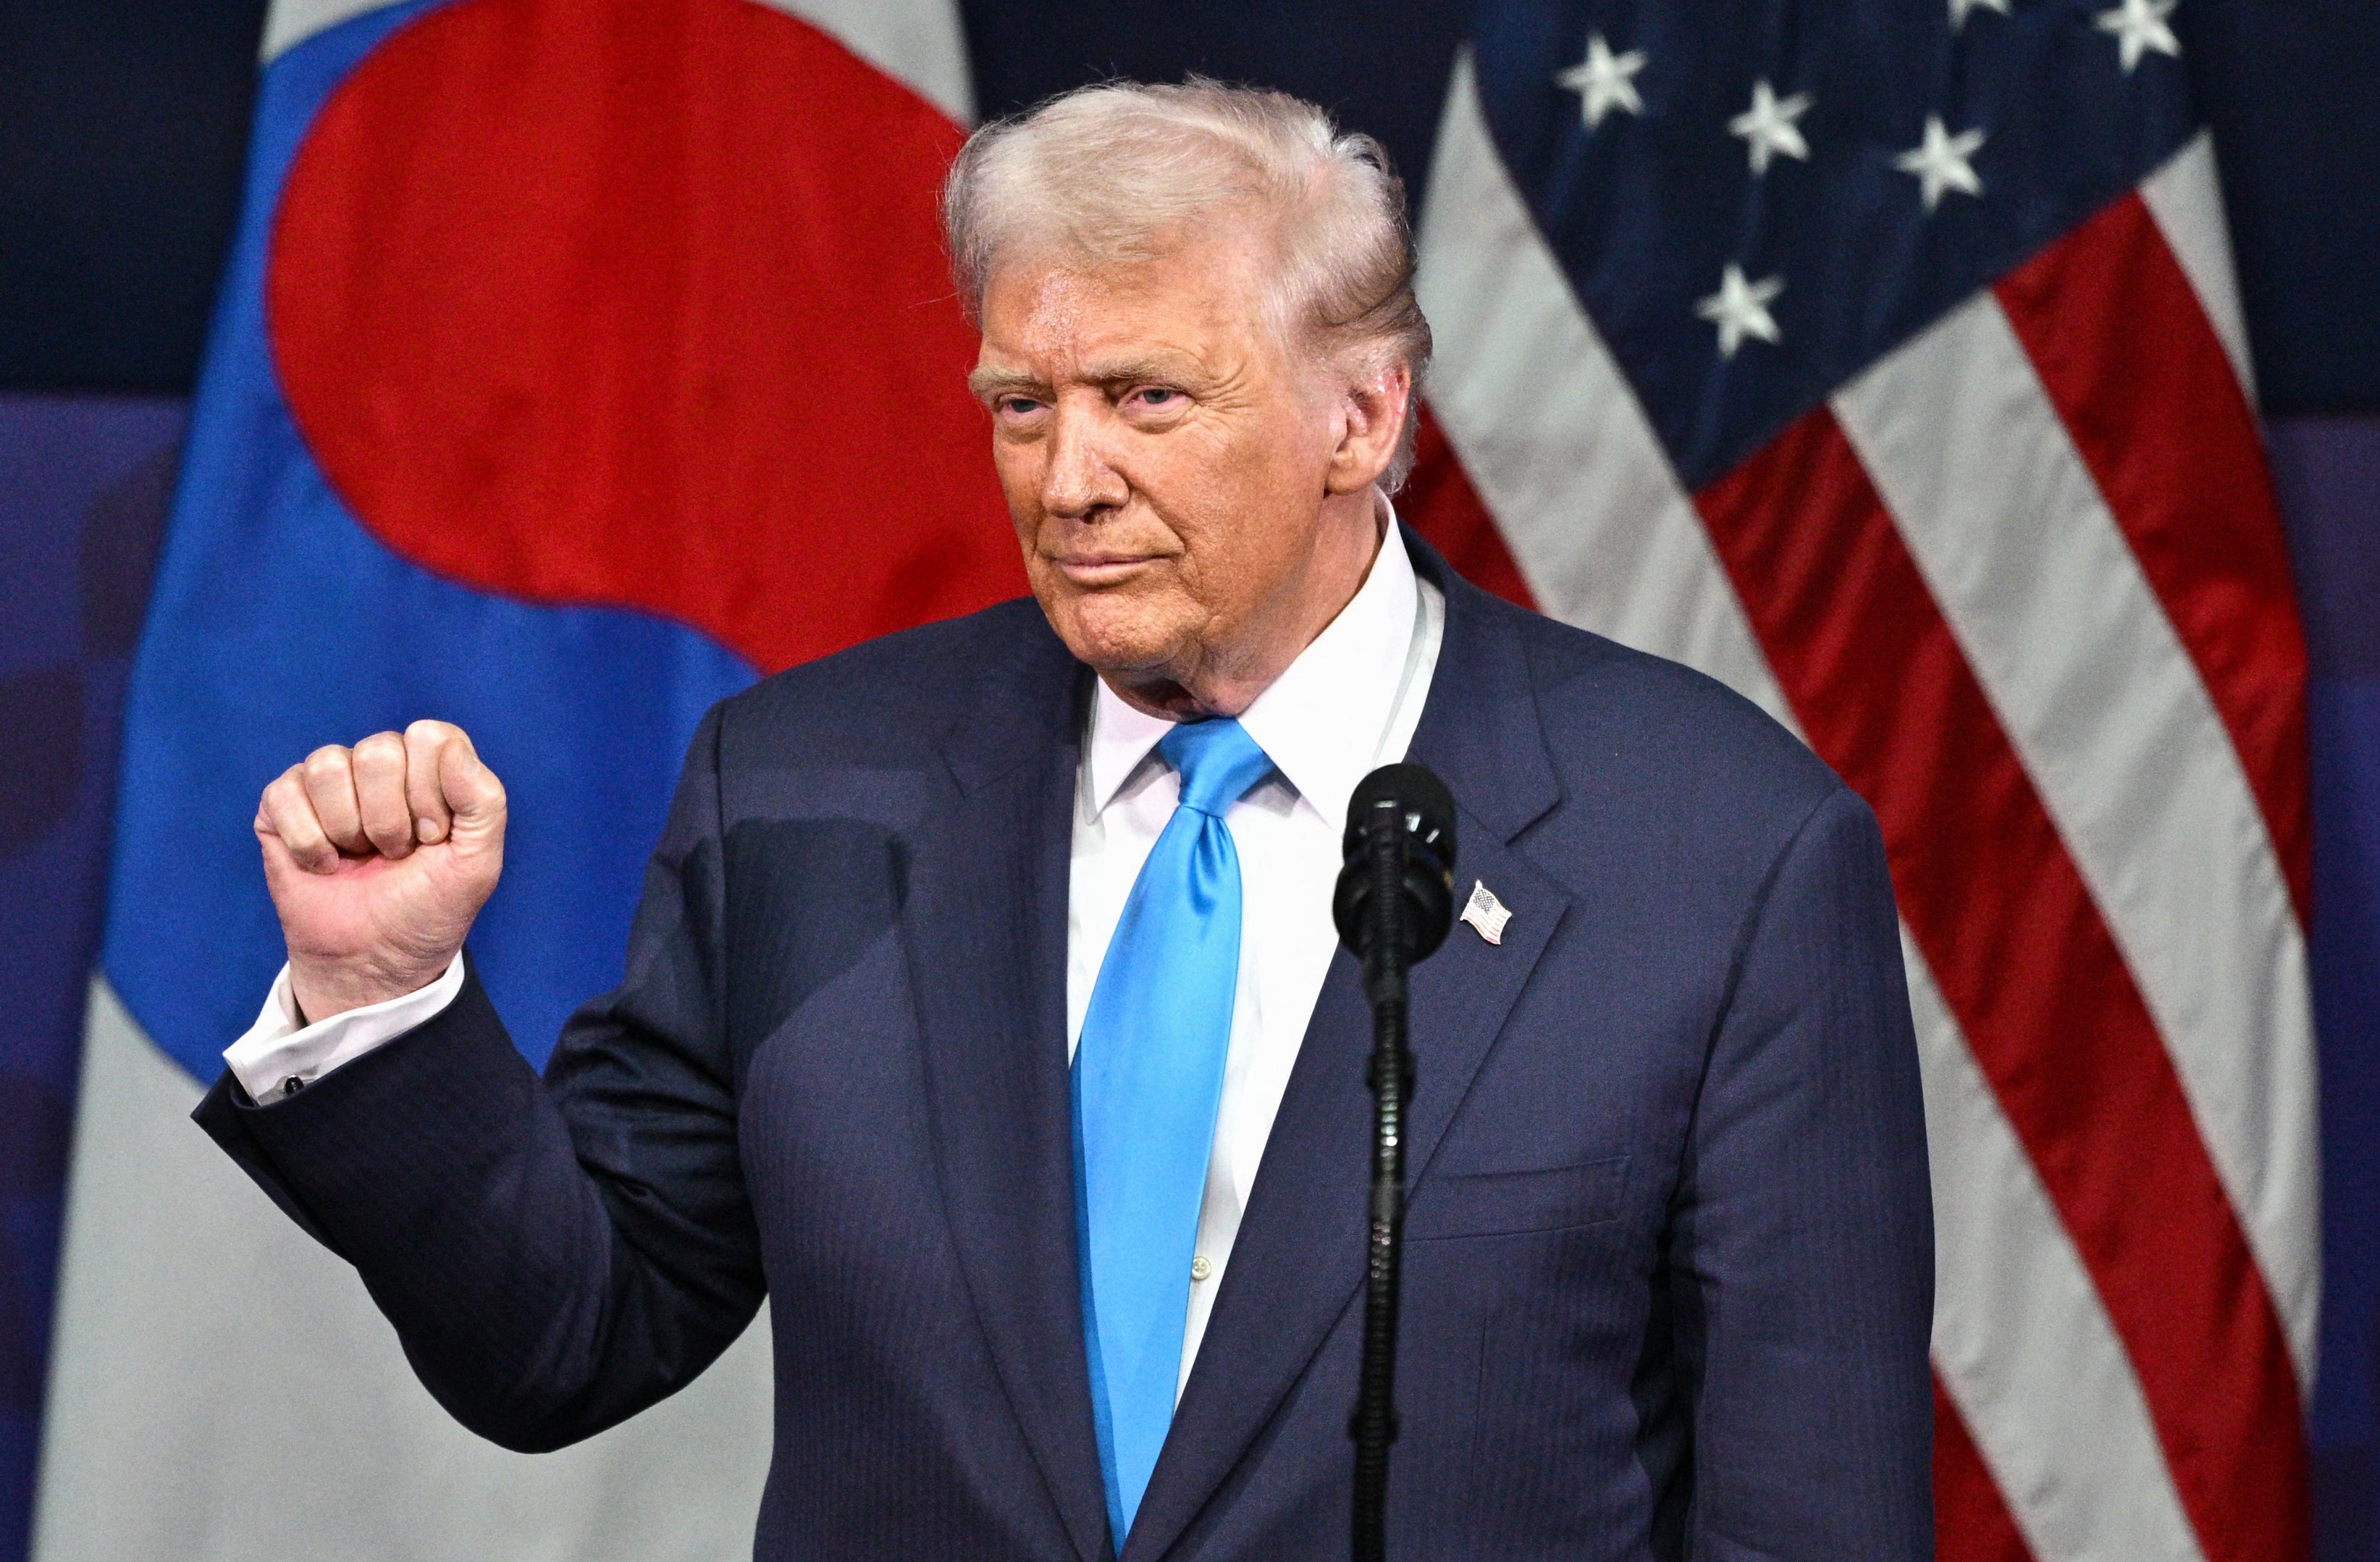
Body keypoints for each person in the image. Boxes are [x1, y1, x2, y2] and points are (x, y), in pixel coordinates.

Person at [200, 80, 1933, 1560]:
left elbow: (1810, 1521)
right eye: (1023, 407)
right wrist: (381, 1000)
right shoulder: (805, 784)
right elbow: (565, 1338)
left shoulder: (1717, 855)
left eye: (1147, 398)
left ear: (1361, 415)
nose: (1069, 480)